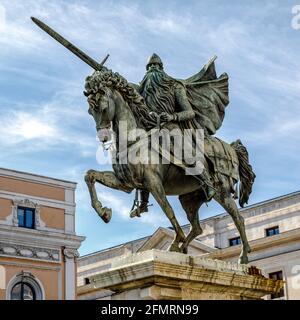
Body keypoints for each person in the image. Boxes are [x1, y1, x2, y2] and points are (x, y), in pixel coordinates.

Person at [129, 53, 216, 218]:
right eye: (150, 67)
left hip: (171, 126)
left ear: (162, 68)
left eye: (155, 66)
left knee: (181, 146)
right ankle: (144, 202)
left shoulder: (175, 86)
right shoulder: (141, 89)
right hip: (149, 129)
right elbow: (125, 88)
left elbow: (189, 112)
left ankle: (207, 182)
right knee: (137, 157)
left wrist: (172, 117)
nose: (152, 70)